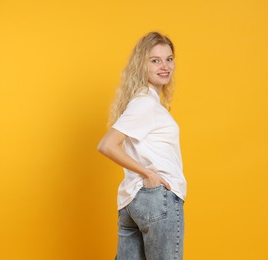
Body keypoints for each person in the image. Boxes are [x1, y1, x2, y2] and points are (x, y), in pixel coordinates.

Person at [97, 31, 187, 260]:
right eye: (155, 60)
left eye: (169, 59)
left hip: (132, 201)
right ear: (142, 65)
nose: (164, 66)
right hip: (157, 199)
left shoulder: (142, 102)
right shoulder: (145, 103)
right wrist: (148, 172)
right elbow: (107, 145)